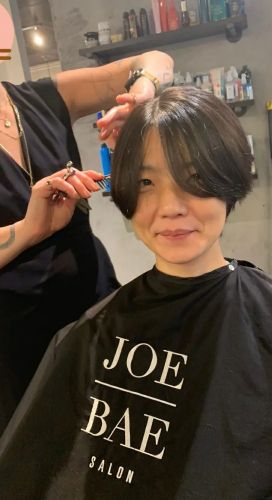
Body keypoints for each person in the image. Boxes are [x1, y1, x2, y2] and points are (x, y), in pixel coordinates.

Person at [0, 86, 272, 499]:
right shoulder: (86, 336)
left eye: (194, 179)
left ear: (229, 178)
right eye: (145, 181)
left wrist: (143, 84)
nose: (170, 207)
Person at [0, 47, 174, 432]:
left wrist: (142, 91)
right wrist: (28, 229)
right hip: (16, 342)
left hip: (94, 303)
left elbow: (157, 60)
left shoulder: (44, 98)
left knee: (123, 433)